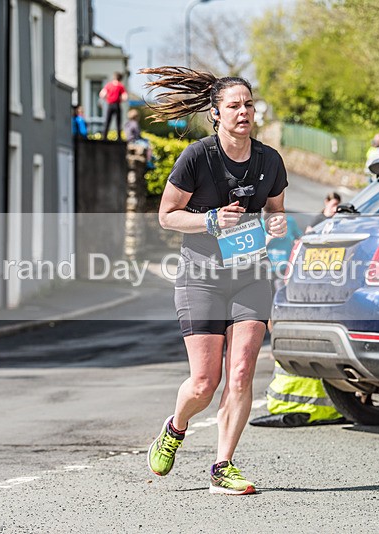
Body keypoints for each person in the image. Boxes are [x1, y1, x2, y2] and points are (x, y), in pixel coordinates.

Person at [140, 65, 288, 496]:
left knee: (241, 372)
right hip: (201, 278)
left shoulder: (269, 160)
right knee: (204, 383)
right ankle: (176, 425)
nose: (243, 112)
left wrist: (277, 224)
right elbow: (167, 215)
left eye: (248, 104)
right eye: (233, 106)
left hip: (250, 277)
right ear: (216, 114)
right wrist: (210, 220)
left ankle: (223, 465)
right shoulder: (198, 157)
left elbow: (276, 211)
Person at [99, 72, 128, 139]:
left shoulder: (109, 85)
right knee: (118, 122)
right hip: (117, 105)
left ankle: (104, 137)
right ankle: (119, 137)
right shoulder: (120, 86)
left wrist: (107, 98)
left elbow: (101, 94)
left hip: (110, 105)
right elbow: (125, 97)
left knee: (107, 121)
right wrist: (120, 99)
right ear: (120, 78)